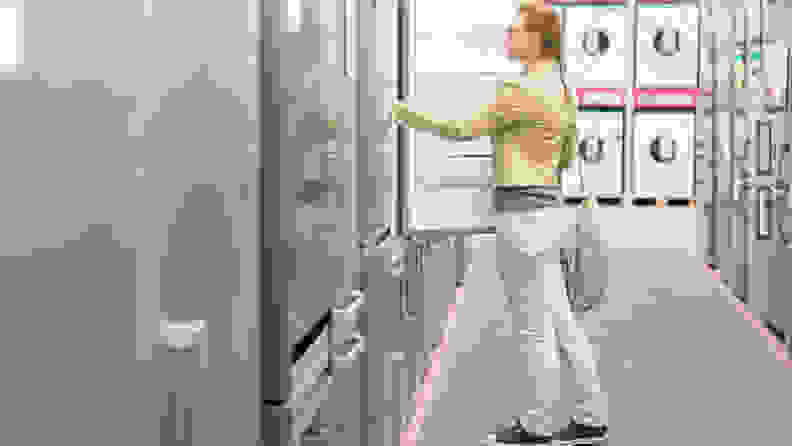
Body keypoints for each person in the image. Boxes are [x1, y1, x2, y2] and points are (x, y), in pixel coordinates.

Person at [392, 0, 609, 444]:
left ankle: (538, 424)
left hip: (521, 219)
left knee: (534, 329)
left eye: (515, 30)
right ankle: (592, 414)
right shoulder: (562, 91)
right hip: (551, 214)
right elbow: (566, 157)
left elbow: (458, 129)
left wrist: (400, 113)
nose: (508, 37)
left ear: (536, 39)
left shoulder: (521, 93)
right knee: (561, 322)